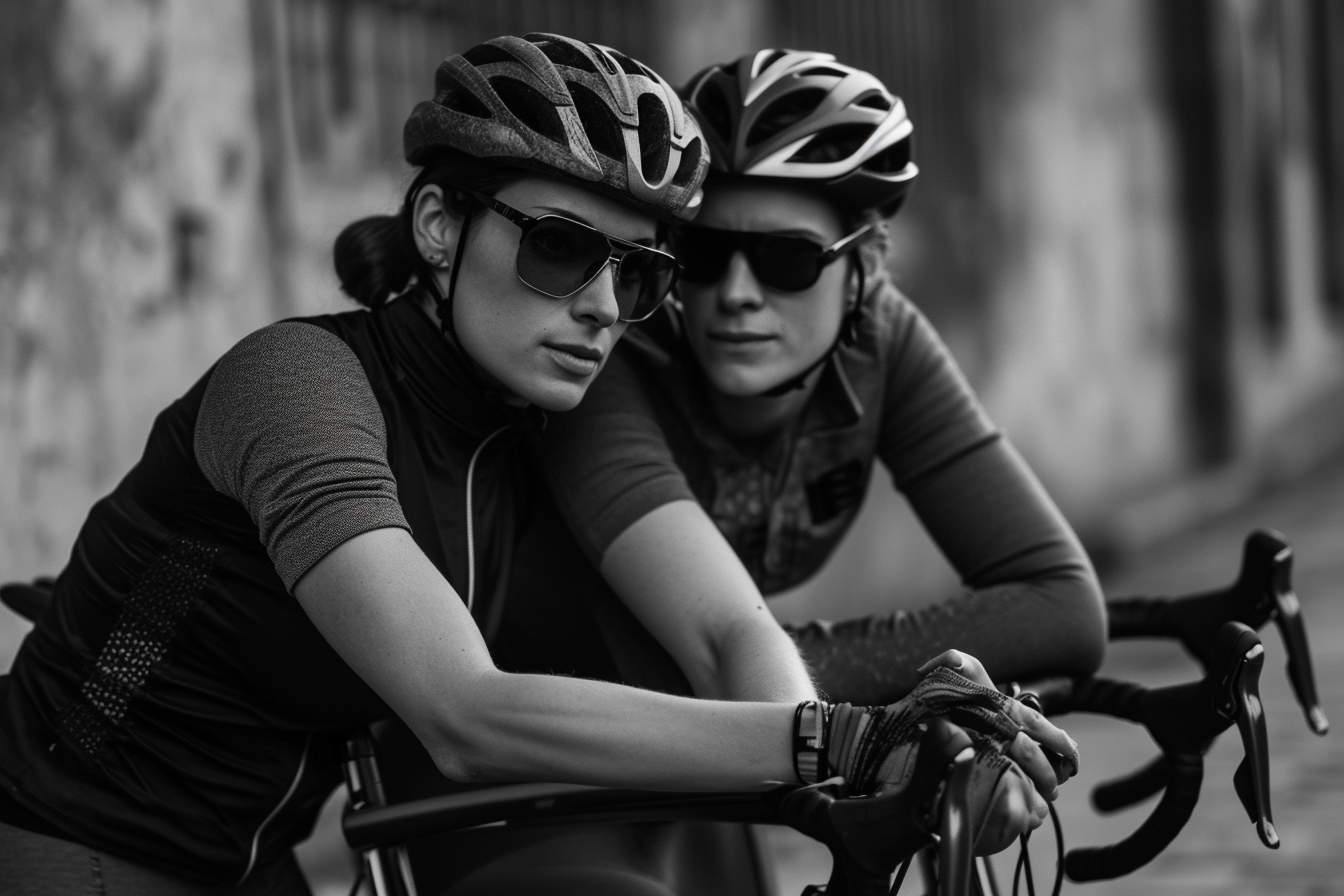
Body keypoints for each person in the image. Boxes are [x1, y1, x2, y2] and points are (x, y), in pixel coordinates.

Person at [0, 36, 1074, 895]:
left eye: (643, 274)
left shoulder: (524, 429)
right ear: (437, 225)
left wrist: (884, 760)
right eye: (560, 247)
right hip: (76, 829)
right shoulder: (297, 383)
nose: (603, 306)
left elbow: (714, 631)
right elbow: (468, 713)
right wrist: (832, 738)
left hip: (250, 854)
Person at [502, 48, 1107, 710]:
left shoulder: (881, 339)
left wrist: (778, 662)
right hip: (525, 760)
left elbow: (1062, 607)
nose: (735, 293)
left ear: (865, 270)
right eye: (702, 255)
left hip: (689, 729)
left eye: (787, 259)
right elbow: (714, 660)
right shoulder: (613, 347)